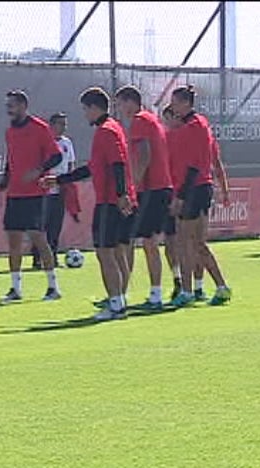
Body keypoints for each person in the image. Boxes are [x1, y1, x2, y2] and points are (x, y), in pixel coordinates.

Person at [48, 87, 135, 321]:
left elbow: (117, 164)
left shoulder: (106, 131)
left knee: (105, 253)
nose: (84, 115)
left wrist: (120, 194)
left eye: (85, 110)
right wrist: (59, 179)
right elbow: (92, 169)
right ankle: (119, 300)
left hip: (109, 201)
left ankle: (116, 304)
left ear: (94, 108)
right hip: (112, 199)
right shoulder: (111, 128)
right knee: (116, 253)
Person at [168, 85, 232, 307]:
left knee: (186, 243)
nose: (173, 107)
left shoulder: (195, 126)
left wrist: (181, 196)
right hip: (197, 187)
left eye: (175, 102)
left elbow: (195, 165)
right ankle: (220, 287)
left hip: (195, 188)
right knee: (195, 243)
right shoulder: (194, 125)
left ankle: (188, 291)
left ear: (186, 103)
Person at [0, 90, 63, 303]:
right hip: (14, 194)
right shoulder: (9, 132)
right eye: (8, 105)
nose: (9, 109)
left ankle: (53, 287)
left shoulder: (40, 128)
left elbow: (56, 156)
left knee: (39, 238)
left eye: (13, 105)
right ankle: (15, 289)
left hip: (35, 194)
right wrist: (3, 183)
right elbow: (11, 160)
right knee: (13, 241)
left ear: (24, 106)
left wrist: (38, 171)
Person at [115, 85, 174, 310]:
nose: (119, 109)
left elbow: (145, 155)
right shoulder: (151, 119)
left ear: (130, 102)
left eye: (120, 104)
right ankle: (122, 292)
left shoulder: (140, 121)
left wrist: (134, 186)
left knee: (145, 242)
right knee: (137, 241)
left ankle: (152, 295)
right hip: (159, 187)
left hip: (151, 189)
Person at [30, 112, 76, 269]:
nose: (64, 128)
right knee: (41, 226)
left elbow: (70, 165)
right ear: (52, 125)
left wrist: (68, 183)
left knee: (55, 225)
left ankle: (53, 257)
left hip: (60, 188)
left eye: (65, 124)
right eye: (61, 124)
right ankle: (37, 259)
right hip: (44, 189)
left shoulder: (67, 143)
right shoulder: (44, 142)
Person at [160, 105, 185, 299]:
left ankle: (191, 284)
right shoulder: (164, 139)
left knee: (186, 240)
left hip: (183, 193)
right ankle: (179, 280)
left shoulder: (184, 137)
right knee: (172, 240)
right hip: (171, 193)